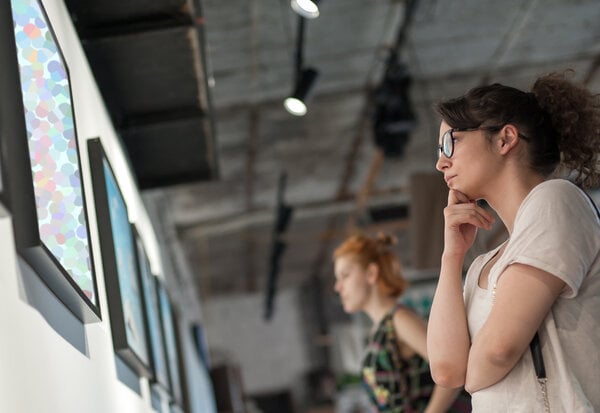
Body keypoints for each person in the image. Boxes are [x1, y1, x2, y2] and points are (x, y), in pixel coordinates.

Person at [426, 71, 600, 412]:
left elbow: (498, 350)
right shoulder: (483, 264)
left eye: (451, 143)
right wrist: (452, 257)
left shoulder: (555, 199)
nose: (440, 162)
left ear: (505, 139)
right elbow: (447, 371)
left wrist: (474, 374)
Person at [333, 233, 469, 412]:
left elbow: (451, 368)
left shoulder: (399, 320)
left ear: (371, 273)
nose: (338, 287)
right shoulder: (380, 329)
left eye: (345, 276)